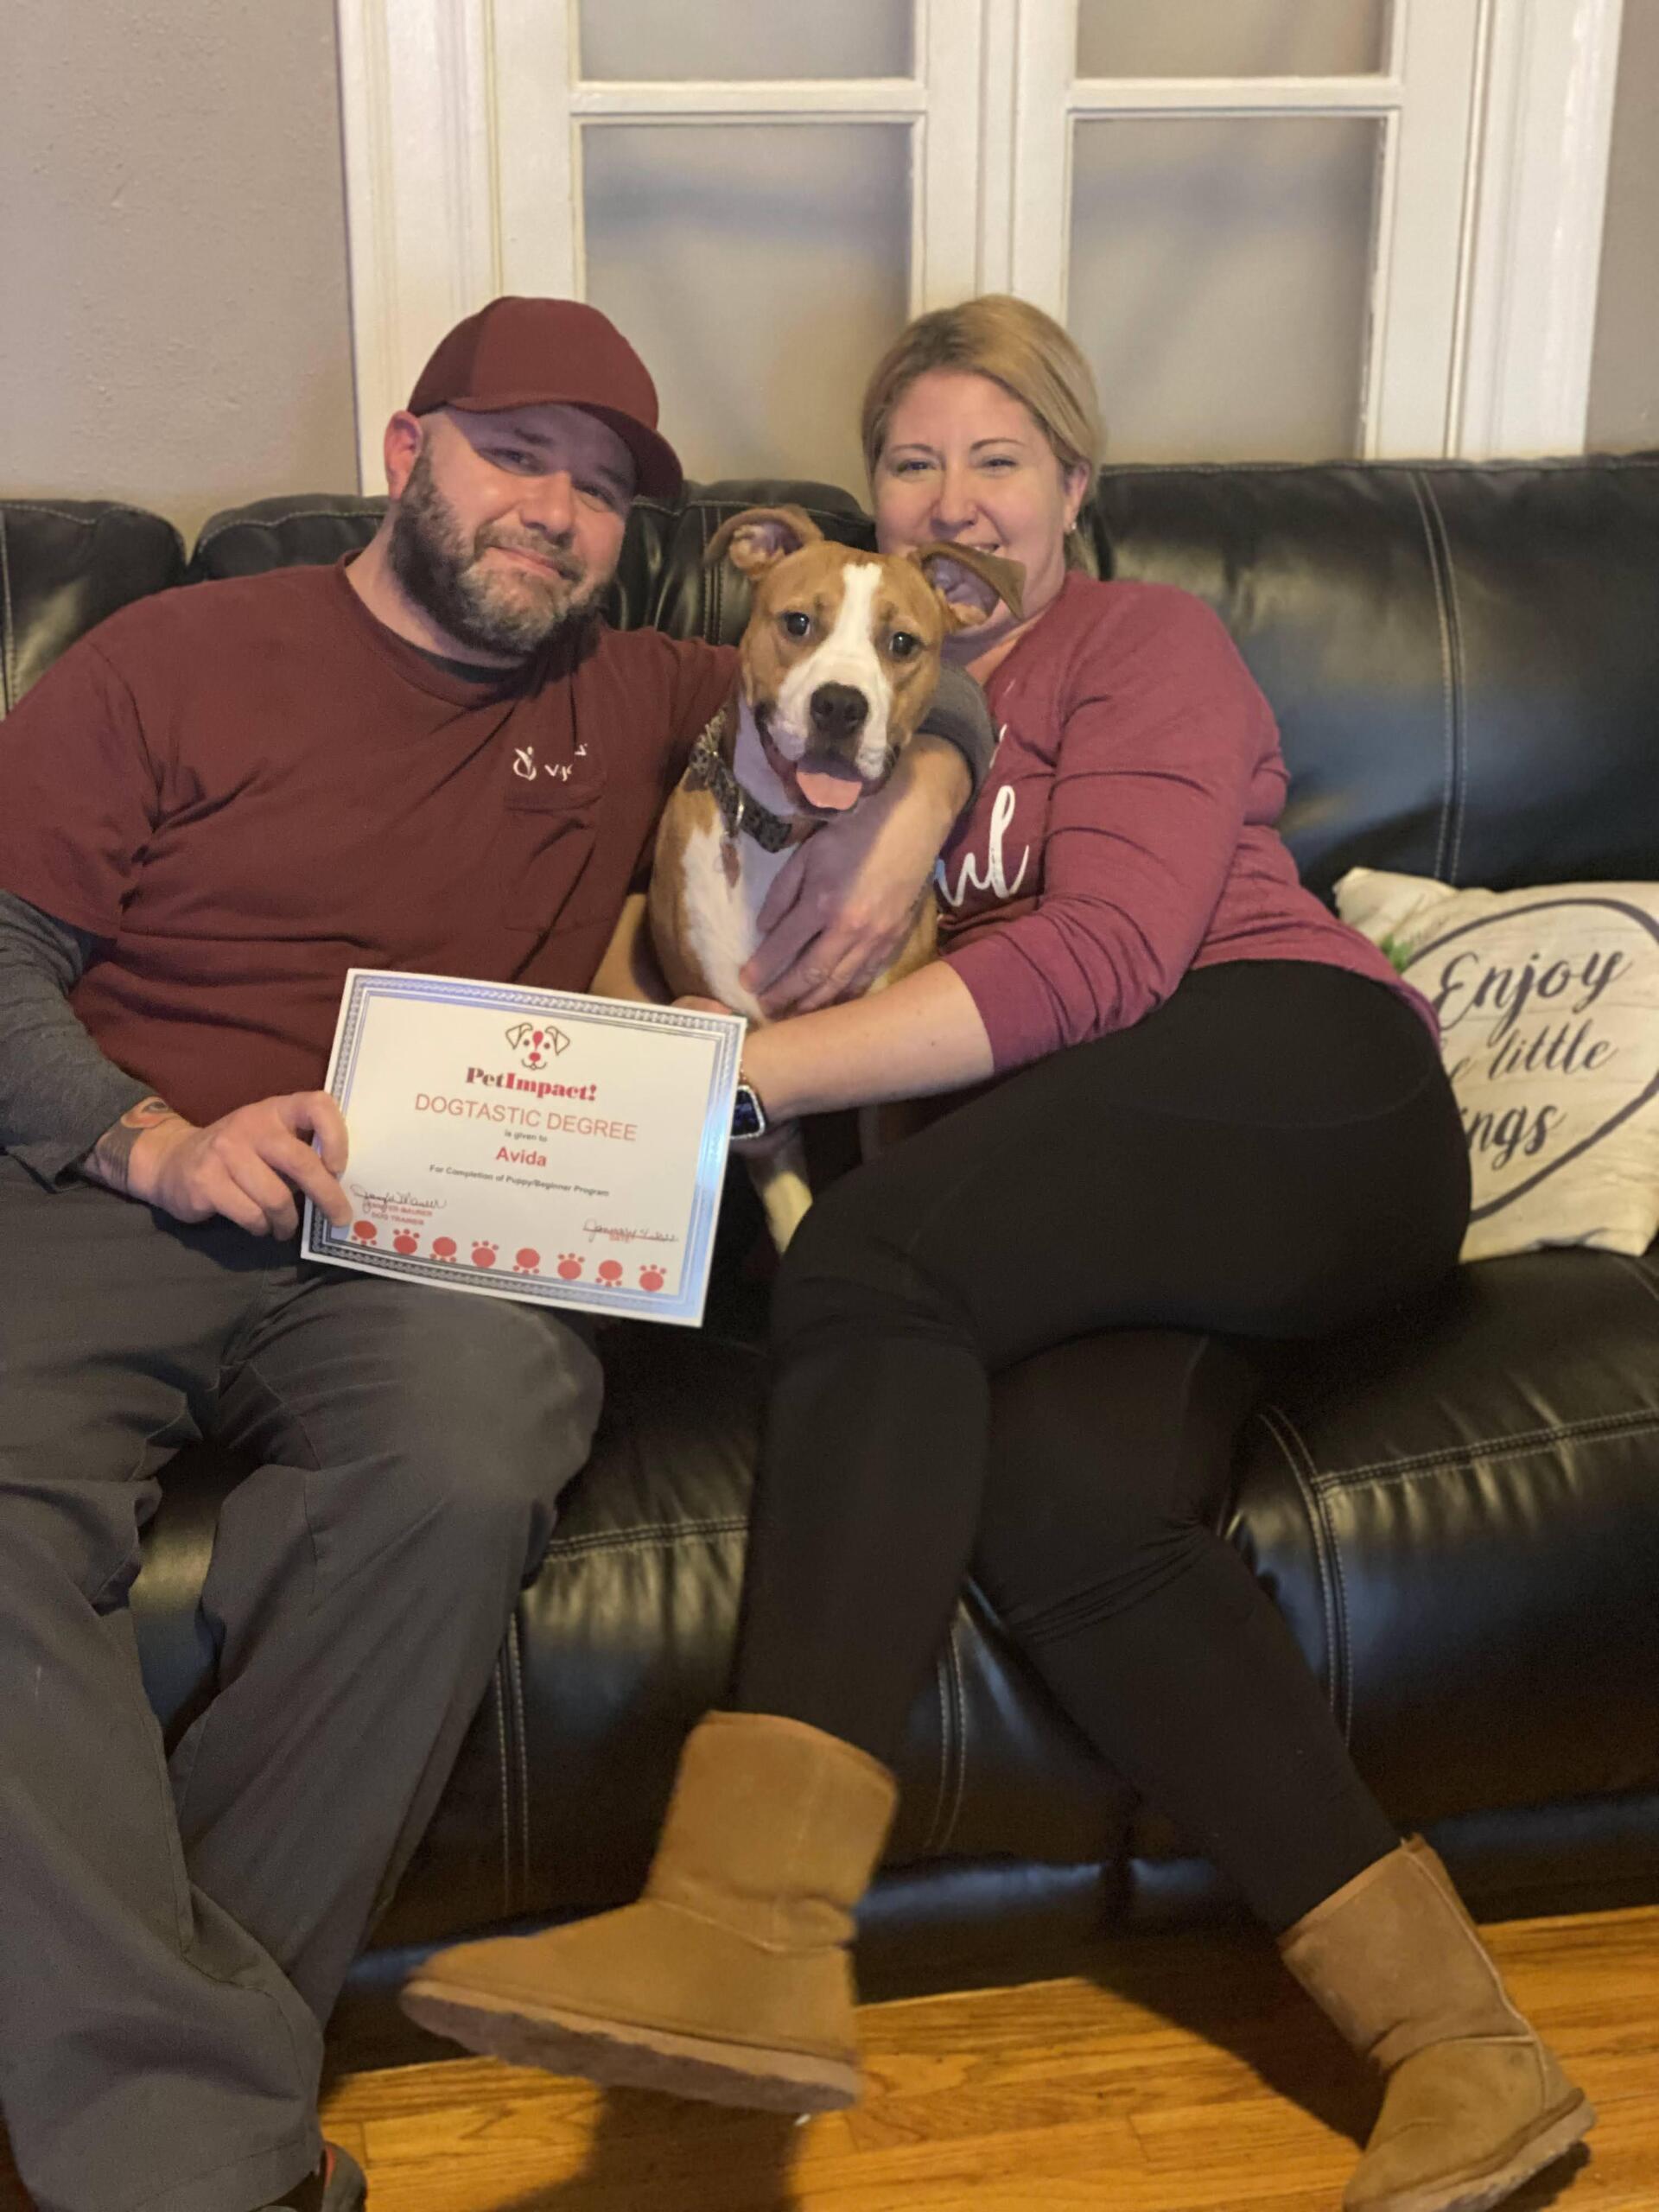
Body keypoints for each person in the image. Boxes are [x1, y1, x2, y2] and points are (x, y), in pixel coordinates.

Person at [404, 296, 1595, 2212]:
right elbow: (748, 801)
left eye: (1000, 458)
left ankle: (748, 1925)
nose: (952, 497)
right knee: (1071, 1507)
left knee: (871, 1259)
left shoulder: (1148, 642)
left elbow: (1119, 957)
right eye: (912, 459)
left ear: (1076, 491)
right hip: (1104, 1200)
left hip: (1295, 1079)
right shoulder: (851, 702)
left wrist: (748, 1078)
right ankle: (1466, 2047)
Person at [0, 295, 998, 2212]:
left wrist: (921, 801)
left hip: (419, 1241)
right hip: (126, 1186)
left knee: (468, 1468)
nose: (555, 510)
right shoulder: (173, 653)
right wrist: (156, 1132)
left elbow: (906, 677)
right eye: (515, 452)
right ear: (406, 451)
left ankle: (140, 2116)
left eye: (605, 488)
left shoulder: (637, 688)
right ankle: (198, 2149)